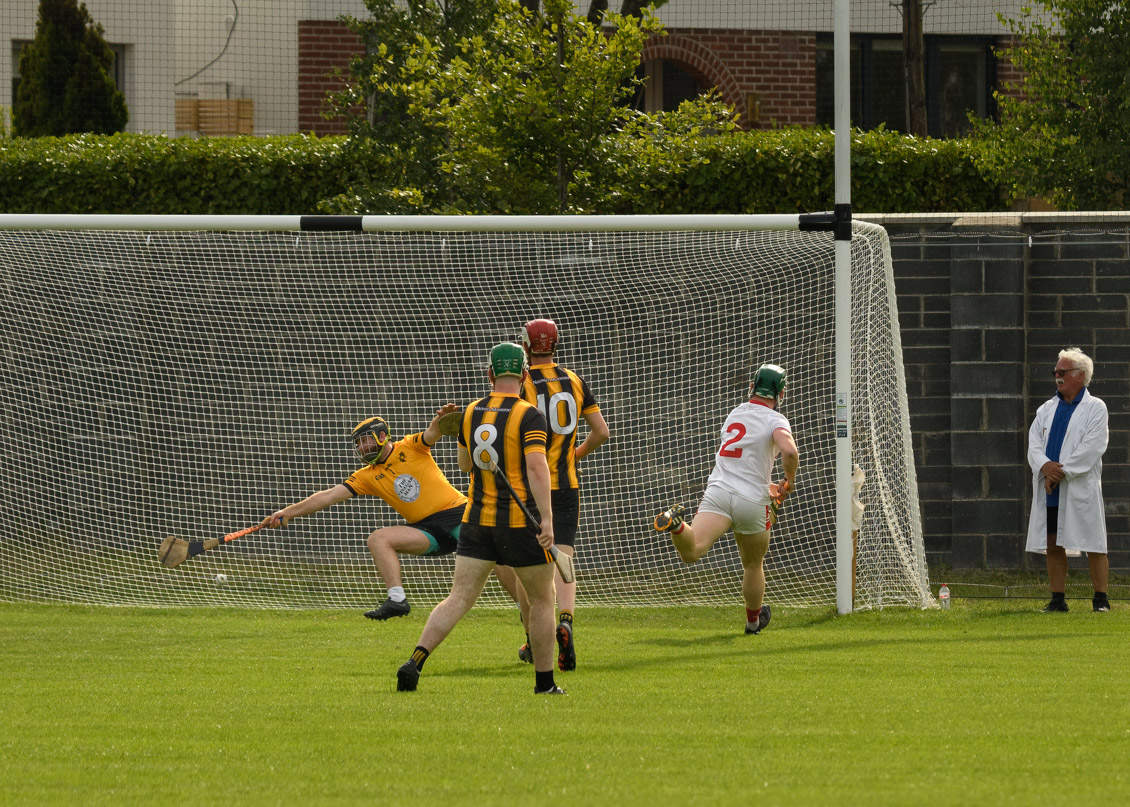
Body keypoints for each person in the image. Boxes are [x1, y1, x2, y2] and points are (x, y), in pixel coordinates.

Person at [397, 342, 564, 695]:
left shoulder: (471, 412)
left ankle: (415, 660)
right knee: (542, 601)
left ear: (489, 374)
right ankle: (545, 684)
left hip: (476, 522)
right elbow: (536, 468)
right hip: (520, 524)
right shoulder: (530, 415)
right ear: (522, 375)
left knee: (458, 598)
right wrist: (547, 520)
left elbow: (464, 465)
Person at [260, 404, 515, 620]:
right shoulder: (366, 476)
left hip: (458, 513)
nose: (362, 448)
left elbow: (432, 432)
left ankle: (526, 609)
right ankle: (397, 601)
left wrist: (441, 418)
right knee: (378, 539)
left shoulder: (411, 446)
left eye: (366, 441)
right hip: (427, 530)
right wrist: (289, 512)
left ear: (383, 436)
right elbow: (328, 496)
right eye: (358, 444)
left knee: (497, 558)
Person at [653, 363, 799, 635]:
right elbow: (789, 451)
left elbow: (742, 462)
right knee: (753, 564)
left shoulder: (735, 413)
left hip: (719, 491)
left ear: (752, 386)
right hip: (752, 502)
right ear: (781, 393)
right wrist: (787, 482)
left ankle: (676, 525)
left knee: (692, 550)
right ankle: (753, 623)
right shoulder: (776, 420)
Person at [502, 318, 609, 672]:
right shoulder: (574, 378)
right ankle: (565, 621)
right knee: (563, 558)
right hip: (567, 485)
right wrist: (573, 455)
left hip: (531, 487)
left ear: (526, 346)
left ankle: (536, 639)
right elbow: (601, 432)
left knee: (526, 571)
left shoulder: (522, 382)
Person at [1026, 348, 1110, 613]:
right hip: (1049, 485)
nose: (1057, 376)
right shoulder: (1046, 409)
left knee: (1093, 544)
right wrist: (1044, 467)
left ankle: (1100, 599)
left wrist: (1061, 472)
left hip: (1078, 485)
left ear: (1080, 375)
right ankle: (1057, 599)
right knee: (1053, 541)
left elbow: (1092, 447)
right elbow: (1034, 445)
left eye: (1063, 372)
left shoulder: (1095, 408)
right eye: (1056, 372)